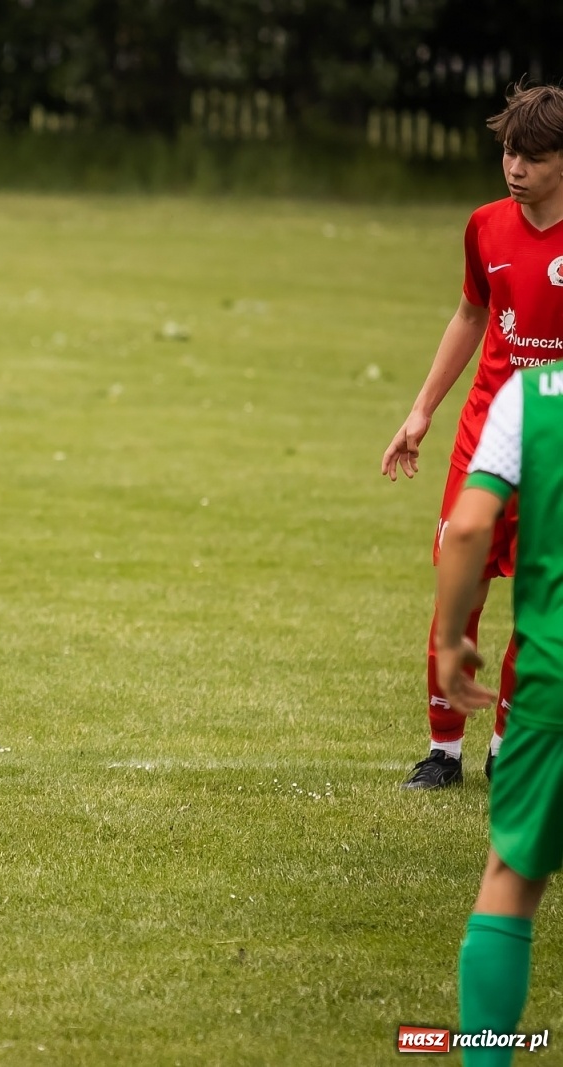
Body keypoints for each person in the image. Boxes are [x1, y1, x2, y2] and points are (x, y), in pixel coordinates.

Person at [382, 84, 563, 790]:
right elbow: (469, 314)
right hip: (487, 439)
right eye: (509, 152)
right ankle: (443, 750)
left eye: (533, 156)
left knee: (542, 606)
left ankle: (507, 744)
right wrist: (422, 409)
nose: (514, 167)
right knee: (458, 590)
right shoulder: (485, 226)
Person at [437, 362, 563, 1066]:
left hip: (552, 679)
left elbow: (469, 526)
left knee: (511, 878)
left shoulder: (535, 398)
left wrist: (450, 638)